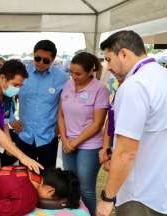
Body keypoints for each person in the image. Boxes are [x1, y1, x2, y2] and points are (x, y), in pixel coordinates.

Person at [96, 30, 167, 216]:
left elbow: (126, 153)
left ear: (124, 54)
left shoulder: (135, 86)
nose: (107, 67)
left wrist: (107, 198)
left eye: (109, 59)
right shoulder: (162, 75)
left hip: (140, 195)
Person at [58, 52, 109, 216]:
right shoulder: (68, 84)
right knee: (71, 185)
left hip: (89, 145)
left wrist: (74, 143)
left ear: (90, 72)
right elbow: (60, 114)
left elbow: (98, 123)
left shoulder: (99, 89)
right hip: (67, 143)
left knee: (86, 189)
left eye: (78, 73)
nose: (74, 76)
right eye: (71, 72)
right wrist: (65, 139)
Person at [9, 40, 69, 169]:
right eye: (37, 58)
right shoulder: (21, 74)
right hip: (25, 136)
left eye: (45, 60)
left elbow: (66, 106)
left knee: (47, 179)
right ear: (33, 55)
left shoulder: (62, 78)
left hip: (48, 136)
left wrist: (58, 129)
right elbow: (7, 97)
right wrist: (12, 120)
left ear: (53, 60)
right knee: (24, 178)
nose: (41, 62)